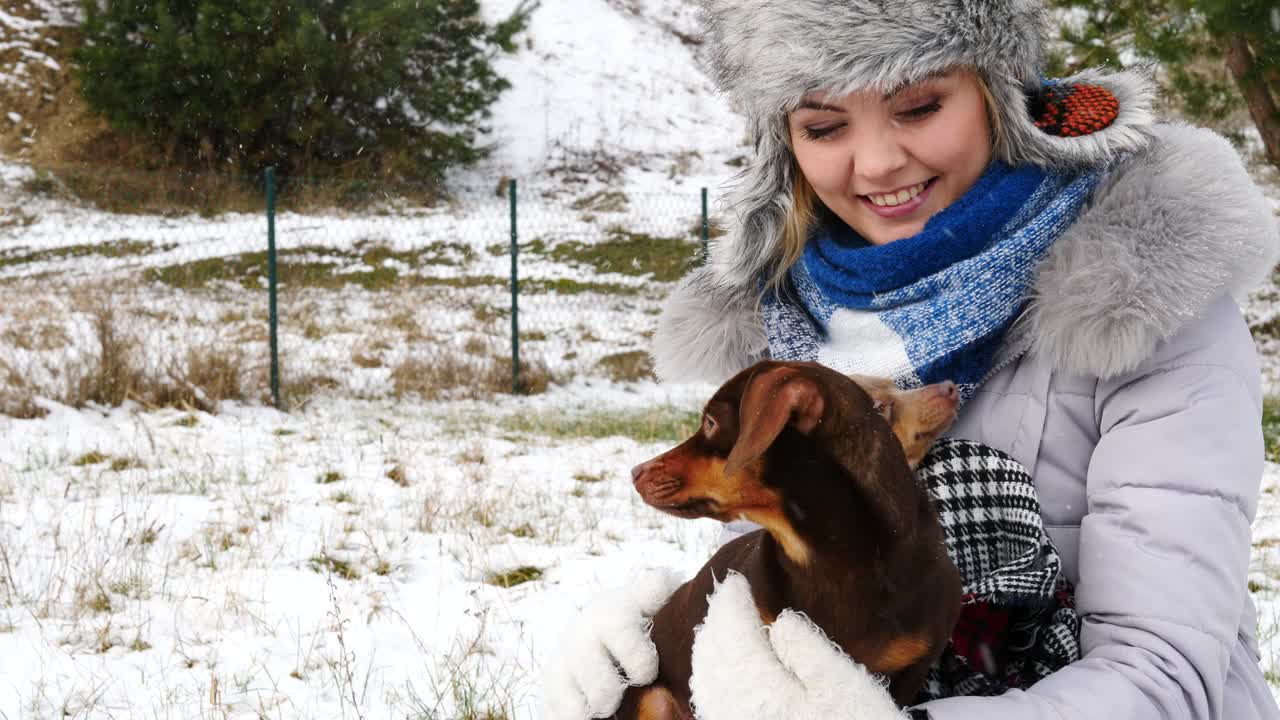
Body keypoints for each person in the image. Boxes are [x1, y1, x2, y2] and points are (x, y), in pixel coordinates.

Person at [540, 0, 1280, 718]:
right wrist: (674, 640)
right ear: (783, 142)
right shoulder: (793, 329)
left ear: (999, 90)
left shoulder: (1142, 300)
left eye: (920, 106)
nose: (878, 162)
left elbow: (1166, 675)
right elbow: (788, 598)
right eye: (825, 125)